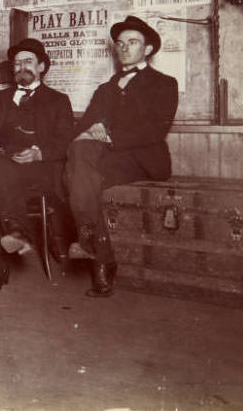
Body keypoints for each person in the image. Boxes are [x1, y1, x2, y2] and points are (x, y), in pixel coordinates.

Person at [65, 16, 178, 298]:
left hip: (144, 159)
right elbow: (81, 128)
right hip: (106, 160)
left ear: (148, 49)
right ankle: (100, 255)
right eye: (120, 44)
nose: (124, 48)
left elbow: (156, 129)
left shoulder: (164, 84)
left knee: (76, 175)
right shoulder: (105, 89)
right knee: (80, 162)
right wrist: (93, 128)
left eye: (133, 42)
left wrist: (110, 135)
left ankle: (93, 246)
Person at [0, 38, 74, 296]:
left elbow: (65, 142)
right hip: (5, 165)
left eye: (28, 61)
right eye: (17, 63)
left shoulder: (58, 100)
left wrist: (39, 153)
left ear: (41, 67)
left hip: (41, 171)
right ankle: (17, 231)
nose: (21, 67)